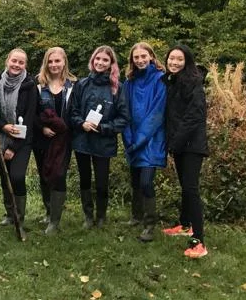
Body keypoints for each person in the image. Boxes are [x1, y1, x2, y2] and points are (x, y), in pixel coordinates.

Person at [70, 45, 129, 228]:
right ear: (92, 60)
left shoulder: (117, 88)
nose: (100, 63)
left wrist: (103, 128)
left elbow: (123, 118)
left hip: (104, 142)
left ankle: (101, 216)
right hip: (82, 141)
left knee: (102, 182)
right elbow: (72, 111)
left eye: (105, 60)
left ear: (111, 64)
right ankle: (88, 215)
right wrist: (82, 123)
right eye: (98, 59)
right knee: (85, 179)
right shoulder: (81, 84)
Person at [162, 44, 209, 258]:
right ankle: (184, 225)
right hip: (180, 144)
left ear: (187, 61)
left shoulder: (193, 83)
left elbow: (194, 116)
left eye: (179, 59)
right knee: (185, 186)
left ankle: (198, 240)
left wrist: (176, 142)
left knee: (191, 189)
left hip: (192, 145)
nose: (174, 62)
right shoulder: (172, 81)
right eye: (171, 58)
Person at [122, 42, 166, 242]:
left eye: (143, 56)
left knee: (146, 182)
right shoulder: (129, 82)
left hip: (151, 140)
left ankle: (150, 224)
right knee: (135, 180)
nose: (140, 60)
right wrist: (129, 137)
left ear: (151, 56)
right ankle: (136, 215)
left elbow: (157, 113)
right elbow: (125, 112)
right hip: (133, 139)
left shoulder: (160, 79)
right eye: (136, 57)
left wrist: (139, 139)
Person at [0, 48, 37, 236]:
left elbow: (30, 116)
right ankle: (10, 214)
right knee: (5, 177)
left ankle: (20, 216)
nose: (17, 65)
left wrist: (14, 146)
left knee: (16, 177)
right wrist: (3, 127)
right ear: (7, 61)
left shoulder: (30, 85)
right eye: (14, 61)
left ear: (25, 65)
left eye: (21, 62)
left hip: (22, 141)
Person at [32, 47, 76, 235]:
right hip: (42, 138)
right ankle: (49, 211)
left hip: (64, 138)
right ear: (46, 63)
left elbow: (76, 111)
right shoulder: (38, 84)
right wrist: (42, 128)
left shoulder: (73, 85)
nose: (54, 65)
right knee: (44, 174)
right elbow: (31, 112)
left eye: (57, 61)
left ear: (64, 62)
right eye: (50, 61)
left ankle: (55, 222)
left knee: (58, 175)